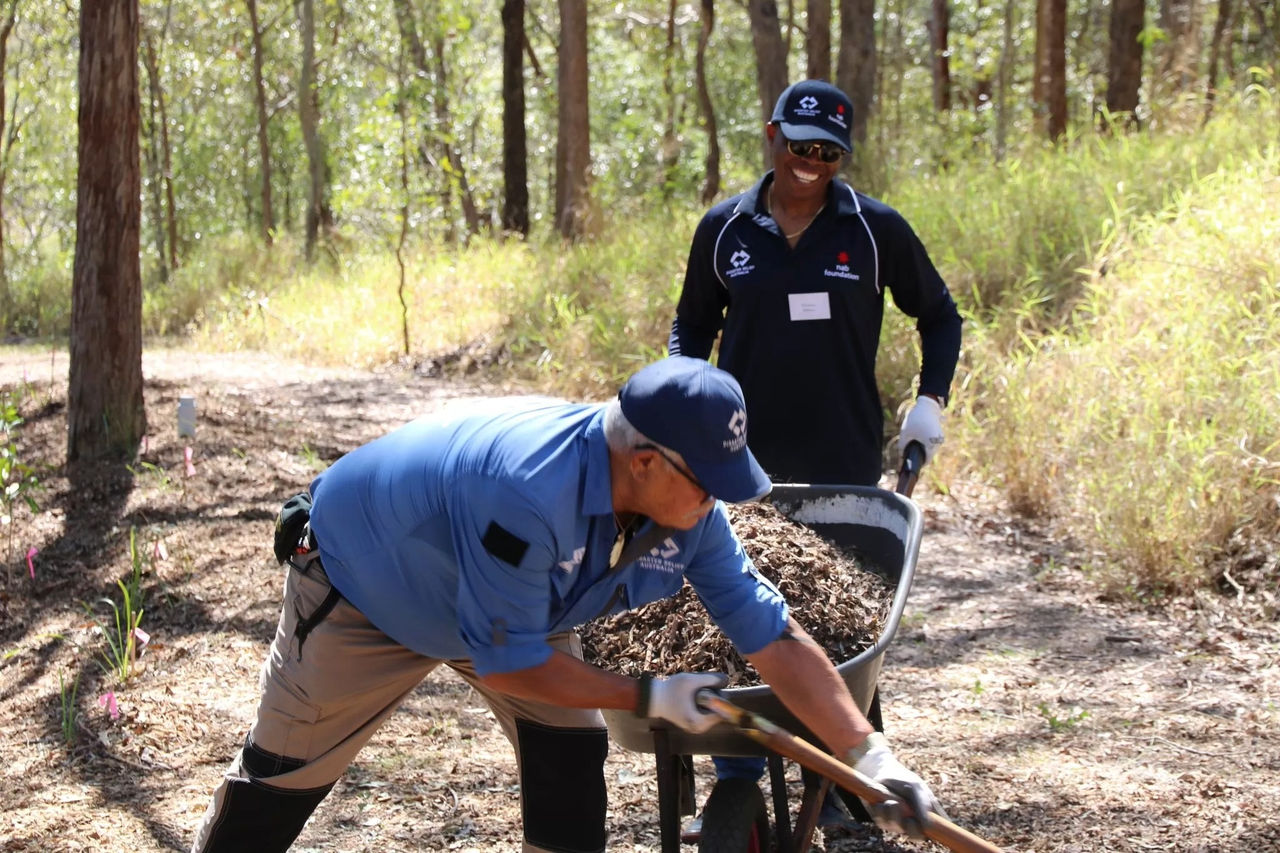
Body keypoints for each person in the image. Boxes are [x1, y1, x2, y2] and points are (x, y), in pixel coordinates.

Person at [190, 356, 945, 853]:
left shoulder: (687, 513)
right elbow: (511, 660)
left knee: (570, 756)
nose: (717, 501)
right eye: (707, 482)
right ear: (643, 462)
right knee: (281, 780)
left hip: (512, 608)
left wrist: (867, 753)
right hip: (371, 584)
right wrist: (647, 695)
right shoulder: (528, 491)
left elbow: (770, 633)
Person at [668, 79, 963, 837]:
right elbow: (691, 326)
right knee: (733, 610)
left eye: (829, 153)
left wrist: (930, 401)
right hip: (740, 461)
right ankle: (736, 779)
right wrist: (683, 401)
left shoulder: (873, 230)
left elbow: (939, 315)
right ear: (772, 135)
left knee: (838, 622)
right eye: (800, 145)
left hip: (841, 461)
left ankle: (840, 785)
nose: (812, 163)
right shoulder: (725, 230)